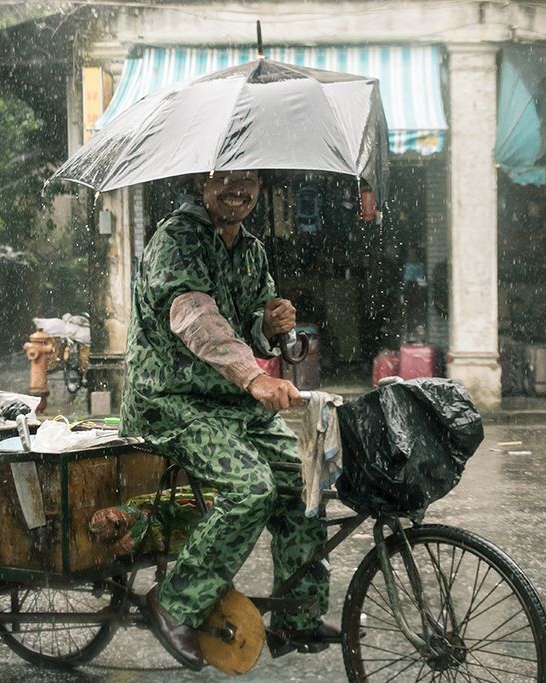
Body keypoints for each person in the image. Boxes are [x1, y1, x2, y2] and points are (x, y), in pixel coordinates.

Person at [119, 170, 336, 670]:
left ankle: (296, 615)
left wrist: (274, 325)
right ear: (202, 182)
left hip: (232, 405)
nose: (238, 188)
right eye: (226, 178)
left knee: (307, 479)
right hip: (172, 402)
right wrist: (254, 378)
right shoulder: (175, 240)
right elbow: (195, 317)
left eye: (250, 179)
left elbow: (256, 332)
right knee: (252, 489)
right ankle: (174, 602)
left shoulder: (253, 251)